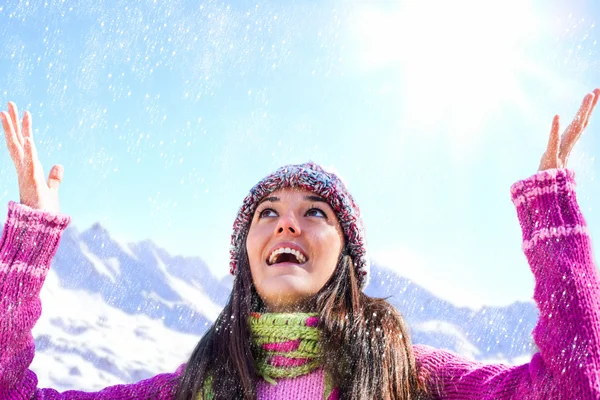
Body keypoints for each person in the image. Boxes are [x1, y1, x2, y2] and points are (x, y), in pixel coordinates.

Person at [0, 89, 599, 400]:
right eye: (267, 212)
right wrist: (26, 244)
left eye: (314, 212)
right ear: (244, 261)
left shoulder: (409, 379)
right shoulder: (192, 389)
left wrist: (552, 216)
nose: (287, 224)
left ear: (346, 258)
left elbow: (575, 389)